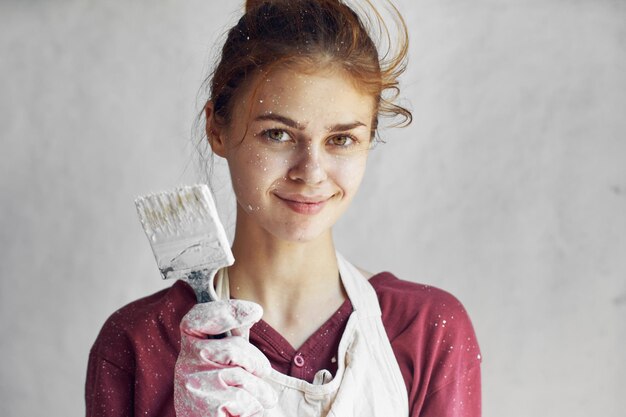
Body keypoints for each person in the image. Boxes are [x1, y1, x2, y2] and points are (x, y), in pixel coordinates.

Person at [85, 0, 482, 416]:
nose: (311, 172)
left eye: (341, 139)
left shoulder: (427, 331)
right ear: (215, 129)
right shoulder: (135, 343)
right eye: (277, 134)